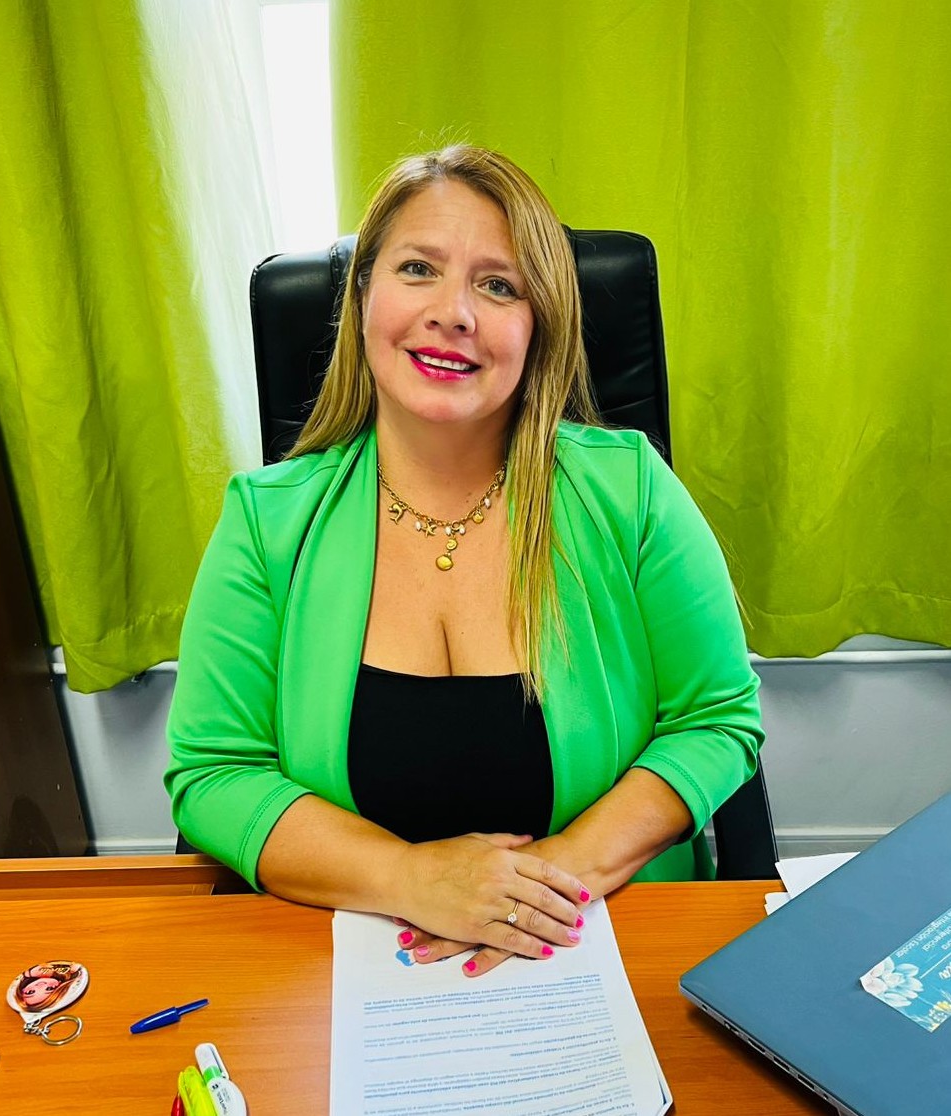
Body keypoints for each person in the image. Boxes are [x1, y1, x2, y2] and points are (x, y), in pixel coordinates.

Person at [165, 144, 763, 978]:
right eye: (418, 269)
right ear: (362, 296)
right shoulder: (266, 524)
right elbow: (214, 771)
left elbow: (717, 720)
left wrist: (542, 885)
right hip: (350, 963)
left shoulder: (631, 490)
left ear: (540, 325)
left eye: (499, 286)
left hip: (596, 940)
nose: (454, 313)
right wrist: (414, 879)